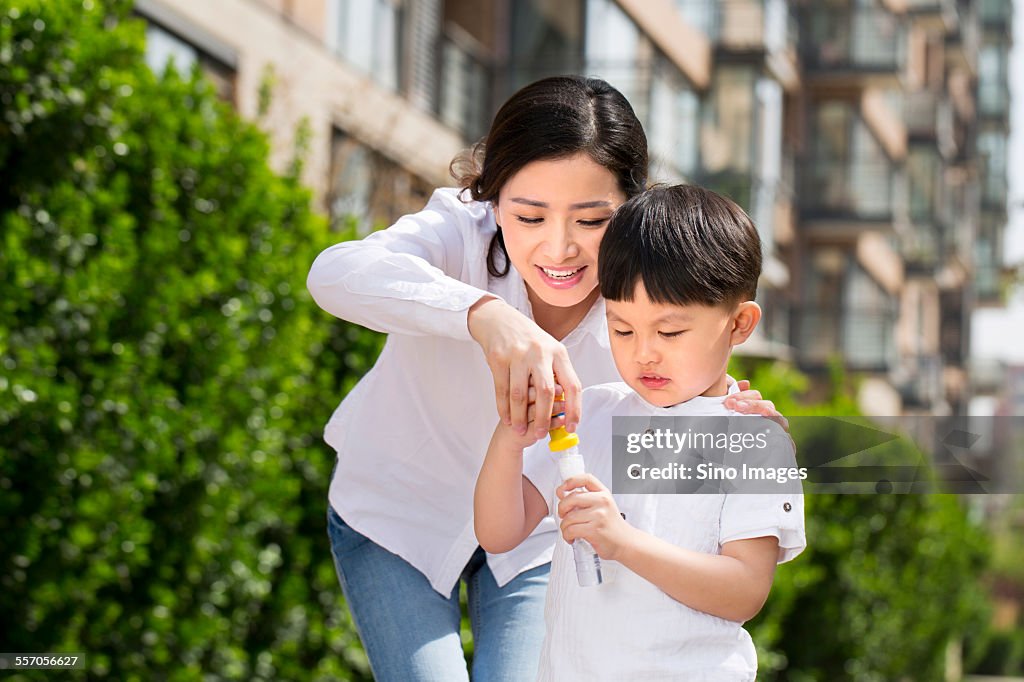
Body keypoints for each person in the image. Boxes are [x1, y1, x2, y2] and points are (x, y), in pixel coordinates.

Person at [307, 77, 786, 681]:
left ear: (630, 206)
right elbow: (336, 273)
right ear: (492, 200)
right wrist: (484, 315)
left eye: (591, 220)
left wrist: (735, 424)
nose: (558, 249)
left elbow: (688, 388)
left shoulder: (638, 309)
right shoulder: (458, 231)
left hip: (538, 544)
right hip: (394, 512)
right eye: (529, 215)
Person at [474, 184, 807, 681]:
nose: (643, 352)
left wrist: (622, 541)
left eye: (669, 332)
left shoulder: (753, 439)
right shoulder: (597, 413)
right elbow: (499, 533)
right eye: (621, 328)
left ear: (739, 324)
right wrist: (509, 438)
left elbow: (744, 591)